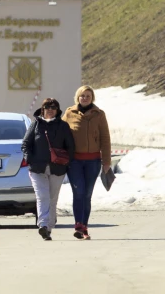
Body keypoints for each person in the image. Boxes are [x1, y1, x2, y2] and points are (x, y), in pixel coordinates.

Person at [22, 98, 75, 241]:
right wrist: (30, 159)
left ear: (57, 110)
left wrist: (65, 162)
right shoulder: (35, 124)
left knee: (52, 198)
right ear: (42, 109)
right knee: (42, 196)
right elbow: (25, 144)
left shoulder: (63, 126)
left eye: (53, 107)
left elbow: (70, 147)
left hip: (57, 168)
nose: (50, 109)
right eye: (47, 107)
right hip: (37, 169)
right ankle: (43, 225)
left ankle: (49, 227)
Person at [62, 85, 111, 240]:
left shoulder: (99, 114)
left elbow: (105, 138)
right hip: (75, 161)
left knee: (87, 195)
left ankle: (84, 227)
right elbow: (61, 134)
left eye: (88, 96)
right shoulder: (69, 113)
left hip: (93, 162)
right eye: (82, 96)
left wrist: (106, 161)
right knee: (79, 193)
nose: (85, 98)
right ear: (78, 97)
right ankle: (78, 225)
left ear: (92, 98)